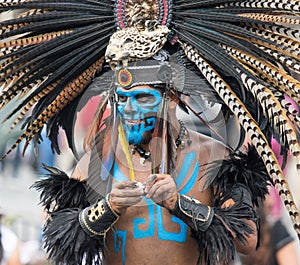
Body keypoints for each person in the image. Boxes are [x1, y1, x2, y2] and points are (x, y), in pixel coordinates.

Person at [1, 1, 300, 265]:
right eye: (124, 98)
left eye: (143, 98)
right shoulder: (99, 162)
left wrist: (179, 204)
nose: (129, 110)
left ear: (171, 99)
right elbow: (57, 238)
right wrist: (108, 208)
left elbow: (246, 240)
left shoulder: (212, 156)